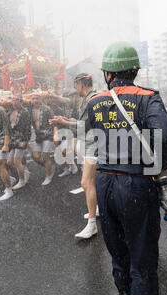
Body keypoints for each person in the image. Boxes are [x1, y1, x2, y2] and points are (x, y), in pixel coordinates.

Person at [87, 42, 167, 295]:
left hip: (104, 182)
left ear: (109, 74)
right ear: (134, 71)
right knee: (143, 262)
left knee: (119, 256)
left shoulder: (95, 102)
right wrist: (156, 166)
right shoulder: (147, 97)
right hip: (136, 184)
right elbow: (166, 138)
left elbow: (96, 137)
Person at [50, 73, 99, 239]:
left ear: (81, 84)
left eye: (75, 85)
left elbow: (83, 126)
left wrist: (63, 123)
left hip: (94, 145)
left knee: (86, 182)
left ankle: (92, 224)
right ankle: (97, 209)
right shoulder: (91, 98)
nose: (74, 88)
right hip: (92, 143)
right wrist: (65, 120)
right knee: (95, 181)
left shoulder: (91, 99)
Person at [6, 95, 32, 190]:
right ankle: (25, 172)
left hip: (21, 139)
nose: (14, 101)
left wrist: (25, 140)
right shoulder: (9, 111)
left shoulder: (24, 112)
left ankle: (21, 181)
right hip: (12, 139)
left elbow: (28, 128)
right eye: (13, 99)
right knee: (9, 162)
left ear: (21, 101)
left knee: (17, 161)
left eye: (16, 100)